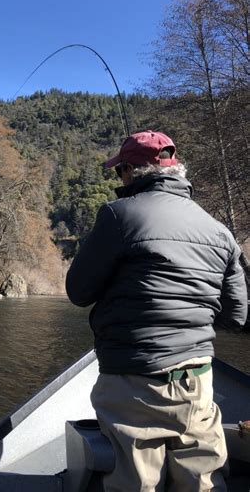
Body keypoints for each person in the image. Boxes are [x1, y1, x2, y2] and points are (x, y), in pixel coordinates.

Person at [66, 130, 248, 492]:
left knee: (136, 483)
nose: (120, 178)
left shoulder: (118, 216)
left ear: (132, 171)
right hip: (198, 381)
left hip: (132, 378)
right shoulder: (220, 232)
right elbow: (237, 315)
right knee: (202, 482)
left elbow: (78, 291)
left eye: (120, 171)